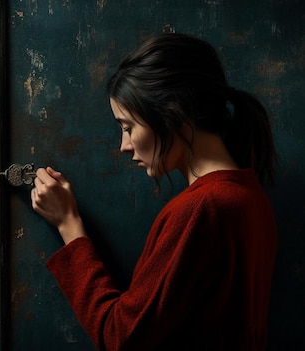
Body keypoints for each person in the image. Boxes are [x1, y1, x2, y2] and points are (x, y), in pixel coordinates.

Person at [31, 33, 278, 350]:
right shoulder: (250, 196)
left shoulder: (202, 208)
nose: (124, 146)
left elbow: (119, 337)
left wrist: (68, 224)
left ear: (174, 115)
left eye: (128, 126)